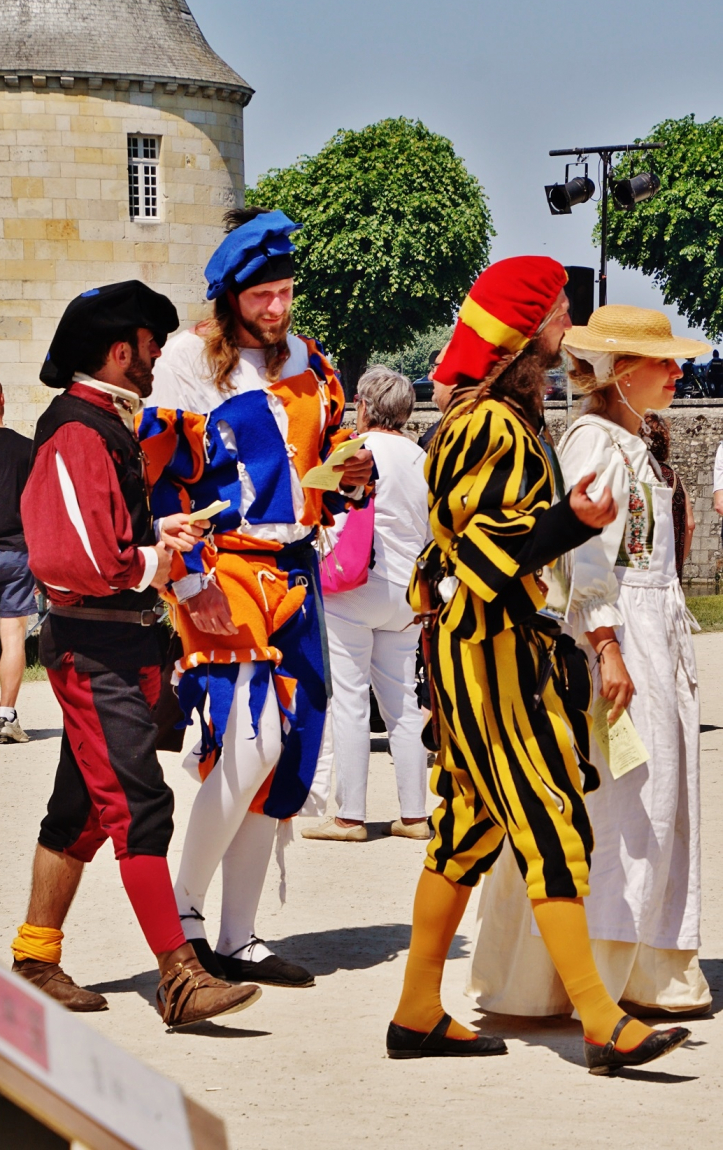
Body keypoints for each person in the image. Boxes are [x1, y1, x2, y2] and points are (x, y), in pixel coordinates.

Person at [388, 259, 691, 1074]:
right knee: (551, 817)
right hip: (489, 647)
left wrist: (561, 524)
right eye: (556, 317)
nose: (567, 330)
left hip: (482, 641)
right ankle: (600, 1019)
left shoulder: (492, 419)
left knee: (464, 832)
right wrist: (569, 521)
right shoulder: (491, 425)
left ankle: (416, 1008)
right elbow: (488, 552)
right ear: (523, 336)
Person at [11, 281, 260, 1029]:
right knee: (140, 804)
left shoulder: (96, 424)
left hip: (112, 641)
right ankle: (179, 977)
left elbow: (103, 539)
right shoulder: (78, 430)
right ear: (121, 351)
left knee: (79, 810)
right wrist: (153, 559)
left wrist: (161, 534)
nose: (157, 357)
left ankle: (34, 954)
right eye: (150, 346)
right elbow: (73, 557)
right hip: (96, 646)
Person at [139, 207, 373, 988]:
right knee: (249, 741)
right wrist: (191, 579)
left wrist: (350, 471)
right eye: (262, 295)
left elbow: (325, 453)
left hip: (296, 569)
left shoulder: (309, 358)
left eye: (285, 292)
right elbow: (165, 480)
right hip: (223, 567)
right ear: (229, 295)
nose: (277, 308)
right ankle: (184, 923)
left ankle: (236, 937)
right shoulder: (183, 363)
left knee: (288, 751)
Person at [470, 305, 711, 1023]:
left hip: (656, 631)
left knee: (659, 800)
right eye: (661, 362)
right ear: (619, 372)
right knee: (619, 800)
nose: (677, 371)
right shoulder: (592, 441)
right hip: (617, 637)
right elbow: (580, 557)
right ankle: (586, 975)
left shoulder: (635, 441)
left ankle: (648, 965)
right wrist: (605, 644)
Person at [302, 366, 430, 842]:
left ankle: (350, 815)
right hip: (407, 593)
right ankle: (414, 814)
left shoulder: (356, 453)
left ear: (363, 404)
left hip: (356, 587)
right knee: (404, 704)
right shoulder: (422, 458)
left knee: (351, 701)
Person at [0, 378, 37, 744]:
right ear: (2, 400)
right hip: (17, 552)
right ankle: (6, 714)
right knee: (13, 635)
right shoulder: (27, 449)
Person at [645, 411, 694, 582]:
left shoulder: (634, 473)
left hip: (639, 573)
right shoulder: (675, 479)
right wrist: (678, 563)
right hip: (670, 573)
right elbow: (690, 525)